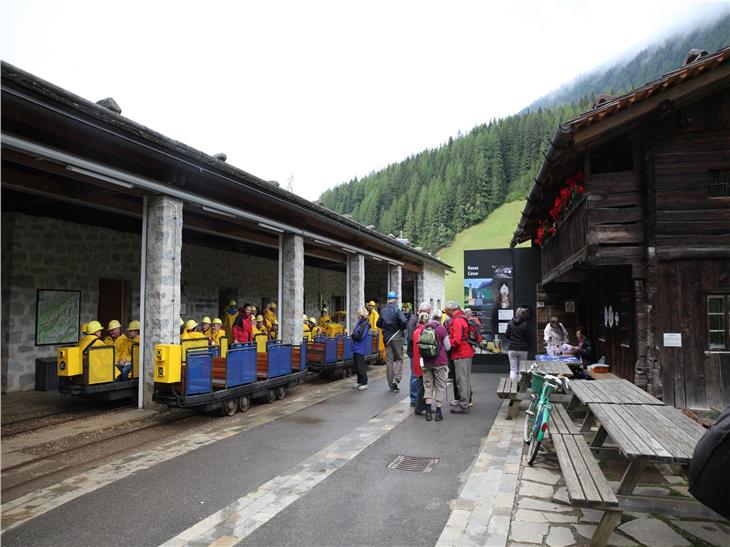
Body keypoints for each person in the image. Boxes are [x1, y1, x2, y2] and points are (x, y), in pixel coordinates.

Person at [420, 309, 450, 421]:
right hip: (440, 362)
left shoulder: (425, 328)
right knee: (440, 386)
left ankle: (428, 412)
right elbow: (448, 347)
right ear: (440, 318)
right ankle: (438, 413)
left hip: (427, 361)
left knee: (428, 385)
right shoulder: (442, 329)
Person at [445, 301, 474, 414]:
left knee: (461, 380)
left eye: (447, 311)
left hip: (460, 353)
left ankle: (463, 405)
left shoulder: (457, 321)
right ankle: (465, 402)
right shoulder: (462, 318)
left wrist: (447, 342)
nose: (447, 313)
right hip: (466, 352)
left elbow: (456, 341)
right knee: (465, 379)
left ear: (451, 310)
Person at [377, 291, 407, 392]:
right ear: (395, 300)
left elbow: (378, 324)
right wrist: (400, 328)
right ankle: (396, 380)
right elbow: (404, 322)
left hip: (386, 338)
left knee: (389, 360)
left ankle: (390, 384)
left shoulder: (384, 311)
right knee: (399, 358)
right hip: (396, 336)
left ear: (388, 299)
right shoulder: (397, 310)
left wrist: (387, 328)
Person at [406, 302, 430, 407]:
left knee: (419, 375)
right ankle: (414, 399)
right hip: (414, 352)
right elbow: (411, 337)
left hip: (418, 352)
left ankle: (418, 399)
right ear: (421, 312)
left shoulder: (419, 320)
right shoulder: (413, 320)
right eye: (427, 312)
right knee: (415, 376)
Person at [410, 312, 428, 416]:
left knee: (421, 384)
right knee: (422, 385)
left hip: (417, 361)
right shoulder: (423, 331)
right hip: (422, 361)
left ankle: (421, 406)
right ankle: (419, 407)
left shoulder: (416, 331)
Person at [505, 307, 530, 379]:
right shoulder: (525, 324)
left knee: (513, 369)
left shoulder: (510, 323)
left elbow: (506, 335)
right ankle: (520, 385)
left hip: (512, 348)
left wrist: (512, 339)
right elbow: (528, 336)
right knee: (522, 369)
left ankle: (512, 385)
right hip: (523, 348)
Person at [350, 307, 371, 390]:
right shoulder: (361, 323)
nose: (357, 316)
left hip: (359, 347)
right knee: (357, 366)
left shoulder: (364, 324)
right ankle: (359, 381)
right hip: (356, 347)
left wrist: (353, 334)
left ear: (362, 315)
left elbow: (359, 336)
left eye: (358, 314)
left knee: (360, 366)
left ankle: (364, 382)